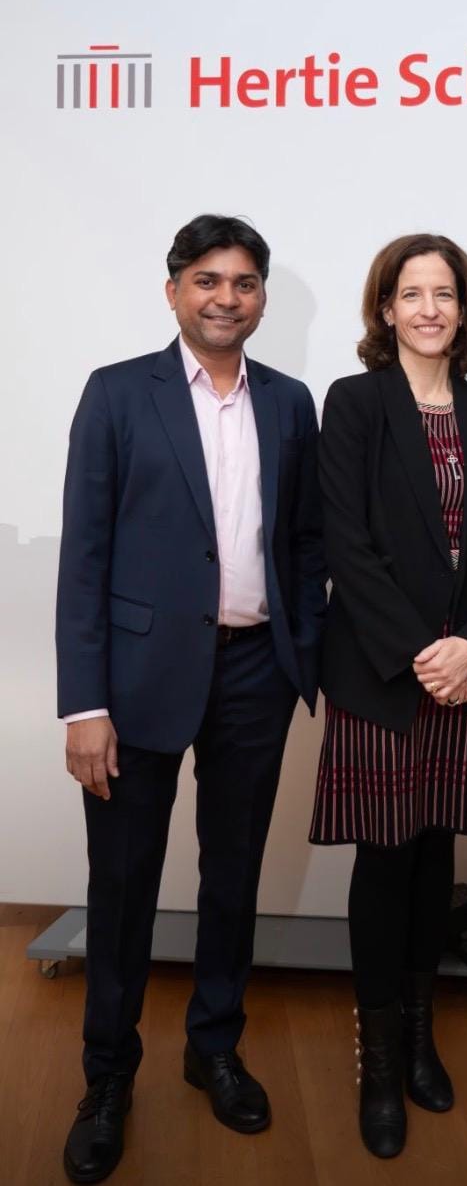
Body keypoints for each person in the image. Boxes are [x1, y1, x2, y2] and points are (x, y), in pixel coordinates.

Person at [56, 214, 327, 1184]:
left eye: (243, 282)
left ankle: (214, 1046)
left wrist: (302, 653)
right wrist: (83, 704)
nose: (225, 296)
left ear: (262, 298)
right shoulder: (117, 392)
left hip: (255, 673)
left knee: (233, 876)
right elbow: (84, 556)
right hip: (134, 685)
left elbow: (305, 539)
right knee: (123, 886)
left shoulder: (290, 402)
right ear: (173, 290)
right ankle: (107, 1077)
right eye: (207, 279)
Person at [309, 233, 467, 1158]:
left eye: (445, 293)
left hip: (466, 668)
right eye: (411, 293)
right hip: (383, 673)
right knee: (385, 860)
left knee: (437, 857)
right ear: (385, 309)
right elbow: (345, 544)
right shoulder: (354, 403)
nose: (429, 308)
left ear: (464, 312)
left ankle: (423, 1038)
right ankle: (381, 1061)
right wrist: (421, 653)